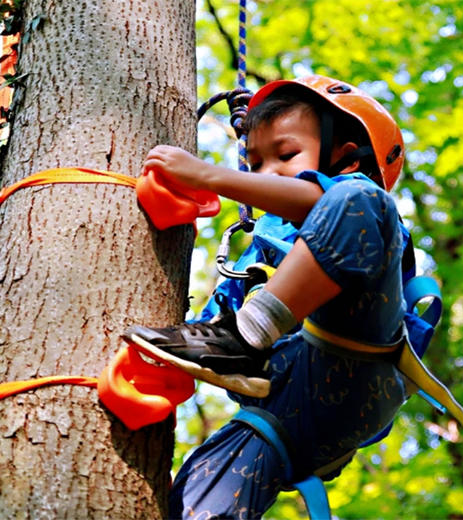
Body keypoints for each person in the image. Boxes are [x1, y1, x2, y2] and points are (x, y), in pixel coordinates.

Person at [123, 75, 408, 518]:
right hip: (277, 411)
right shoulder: (259, 254)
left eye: (286, 155)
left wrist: (208, 175)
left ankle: (248, 336)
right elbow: (213, 327)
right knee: (195, 500)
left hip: (351, 361)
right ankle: (242, 340)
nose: (265, 175)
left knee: (357, 202)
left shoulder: (361, 204)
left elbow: (325, 200)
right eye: (254, 164)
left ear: (347, 158)